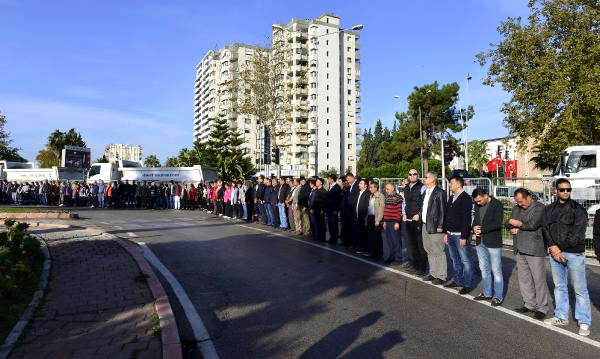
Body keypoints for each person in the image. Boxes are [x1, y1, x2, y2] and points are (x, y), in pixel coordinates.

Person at [542, 178, 591, 336]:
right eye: (562, 189)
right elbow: (545, 228)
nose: (565, 192)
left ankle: (584, 321)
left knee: (580, 289)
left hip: (574, 252)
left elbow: (578, 233)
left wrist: (559, 249)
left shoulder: (578, 209)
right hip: (555, 252)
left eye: (568, 189)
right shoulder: (549, 209)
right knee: (559, 286)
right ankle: (561, 316)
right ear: (556, 190)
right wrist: (553, 247)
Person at [507, 188, 549, 320]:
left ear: (529, 197)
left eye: (521, 201)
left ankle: (542, 307)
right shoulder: (517, 208)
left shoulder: (539, 208)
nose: (520, 204)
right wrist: (512, 225)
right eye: (517, 202)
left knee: (539, 280)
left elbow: (533, 224)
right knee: (524, 279)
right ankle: (529, 304)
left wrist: (517, 224)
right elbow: (507, 222)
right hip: (520, 247)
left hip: (535, 249)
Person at [472, 188, 505, 306]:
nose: (478, 203)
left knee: (496, 270)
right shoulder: (477, 205)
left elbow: (497, 223)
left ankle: (498, 296)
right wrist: (474, 227)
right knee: (484, 269)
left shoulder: (497, 204)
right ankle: (487, 293)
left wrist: (482, 230)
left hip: (493, 242)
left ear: (486, 196)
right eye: (476, 202)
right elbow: (475, 220)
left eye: (480, 201)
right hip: (480, 242)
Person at [444, 175, 474, 295]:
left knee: (465, 260)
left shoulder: (465, 198)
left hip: (460, 235)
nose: (450, 185)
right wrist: (446, 232)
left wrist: (463, 236)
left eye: (451, 183)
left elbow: (466, 219)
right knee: (455, 259)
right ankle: (457, 280)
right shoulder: (451, 198)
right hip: (450, 234)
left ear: (458, 184)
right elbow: (448, 216)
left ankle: (467, 284)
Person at [420, 172, 447, 285]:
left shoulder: (440, 192)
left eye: (426, 177)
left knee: (438, 250)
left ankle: (441, 275)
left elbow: (443, 210)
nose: (424, 179)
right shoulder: (425, 192)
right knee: (429, 249)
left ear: (432, 179)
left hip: (435, 226)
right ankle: (433, 272)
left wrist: (441, 225)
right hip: (425, 224)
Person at [403, 169, 427, 274]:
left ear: (418, 175)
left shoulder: (422, 187)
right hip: (408, 219)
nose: (412, 176)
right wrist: (403, 214)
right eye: (410, 174)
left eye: (414, 174)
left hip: (418, 219)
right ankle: (415, 266)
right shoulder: (406, 188)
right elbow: (404, 203)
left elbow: (424, 203)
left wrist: (419, 214)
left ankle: (422, 268)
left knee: (420, 245)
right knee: (412, 244)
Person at [381, 183, 404, 265]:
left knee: (396, 241)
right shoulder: (387, 197)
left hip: (394, 222)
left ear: (392, 188)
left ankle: (398, 258)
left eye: (387, 189)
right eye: (386, 189)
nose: (386, 191)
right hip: (387, 222)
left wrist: (397, 222)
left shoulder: (398, 198)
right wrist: (384, 221)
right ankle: (391, 257)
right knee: (389, 241)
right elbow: (385, 210)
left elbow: (399, 211)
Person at [367, 181, 384, 258]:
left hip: (376, 218)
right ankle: (372, 252)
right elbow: (369, 208)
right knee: (371, 236)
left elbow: (381, 209)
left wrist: (378, 220)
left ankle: (378, 254)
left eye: (371, 187)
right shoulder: (371, 196)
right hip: (370, 217)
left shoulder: (380, 196)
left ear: (375, 188)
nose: (370, 189)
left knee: (377, 237)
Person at [309, 178, 327, 242]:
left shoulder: (323, 191)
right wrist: (311, 208)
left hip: (319, 210)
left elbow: (324, 201)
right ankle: (315, 236)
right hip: (314, 209)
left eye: (318, 181)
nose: (316, 182)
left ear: (321, 183)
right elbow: (313, 200)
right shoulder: (316, 190)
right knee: (315, 223)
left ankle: (321, 237)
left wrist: (322, 209)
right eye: (316, 181)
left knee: (320, 224)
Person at [355, 179, 370, 254]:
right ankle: (360, 246)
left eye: (361, 183)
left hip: (364, 217)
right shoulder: (359, 192)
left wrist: (366, 217)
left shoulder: (367, 193)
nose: (359, 184)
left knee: (364, 233)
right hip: (358, 216)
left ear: (365, 185)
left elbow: (367, 206)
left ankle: (365, 248)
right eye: (359, 183)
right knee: (360, 232)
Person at [325, 174, 341, 244]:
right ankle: (332, 237)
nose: (328, 180)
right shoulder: (330, 187)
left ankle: (334, 238)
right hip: (329, 209)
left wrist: (335, 209)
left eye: (328, 179)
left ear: (332, 179)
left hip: (333, 209)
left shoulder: (337, 187)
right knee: (330, 224)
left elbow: (337, 199)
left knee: (334, 224)